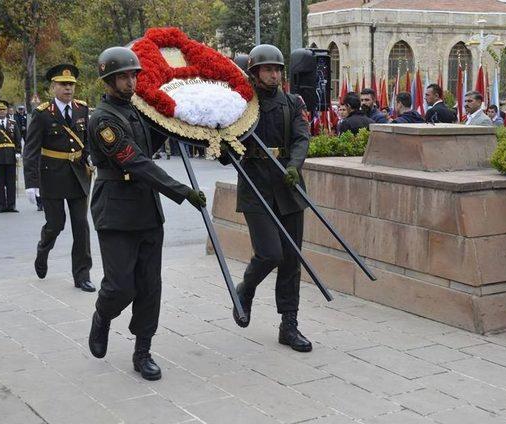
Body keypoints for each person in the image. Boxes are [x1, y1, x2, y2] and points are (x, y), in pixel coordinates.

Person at [87, 46, 206, 380]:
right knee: (120, 286)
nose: (130, 82)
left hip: (147, 211)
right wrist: (182, 192)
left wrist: (184, 121)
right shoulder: (103, 119)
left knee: (150, 285)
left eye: (132, 75)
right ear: (108, 81)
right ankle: (102, 315)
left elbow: (151, 144)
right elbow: (134, 161)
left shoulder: (137, 112)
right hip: (116, 212)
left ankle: (143, 351)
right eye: (123, 77)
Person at [223, 43, 313, 353]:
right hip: (255, 186)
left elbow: (302, 138)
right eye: (267, 70)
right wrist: (225, 145)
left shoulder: (293, 102)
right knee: (269, 254)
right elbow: (226, 149)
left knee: (291, 260)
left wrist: (293, 166)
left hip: (288, 187)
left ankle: (289, 324)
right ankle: (245, 290)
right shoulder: (242, 106)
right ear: (255, 73)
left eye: (277, 69)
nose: (274, 75)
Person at [23, 64, 95, 293]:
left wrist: (92, 157)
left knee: (81, 227)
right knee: (56, 225)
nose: (68, 88)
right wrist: (31, 184)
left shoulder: (82, 109)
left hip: (78, 176)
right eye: (63, 85)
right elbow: (31, 150)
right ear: (53, 87)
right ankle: (43, 249)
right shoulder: (42, 113)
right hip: (51, 176)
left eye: (71, 85)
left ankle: (82, 275)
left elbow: (87, 142)